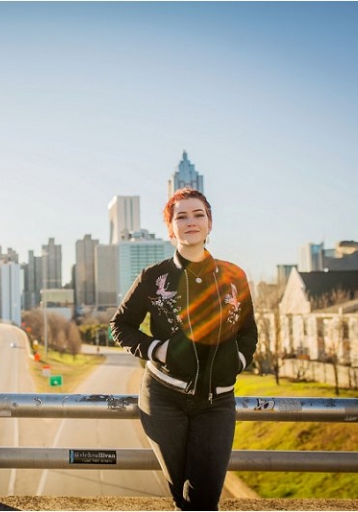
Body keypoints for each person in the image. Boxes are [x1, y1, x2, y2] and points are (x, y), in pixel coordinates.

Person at [110, 187, 258, 511]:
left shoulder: (234, 276)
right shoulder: (154, 277)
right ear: (170, 228)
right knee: (183, 497)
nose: (191, 221)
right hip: (163, 398)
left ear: (210, 224)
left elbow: (248, 331)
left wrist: (239, 359)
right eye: (181, 216)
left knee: (204, 499)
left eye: (198, 214)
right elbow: (120, 326)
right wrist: (158, 350)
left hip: (217, 402)